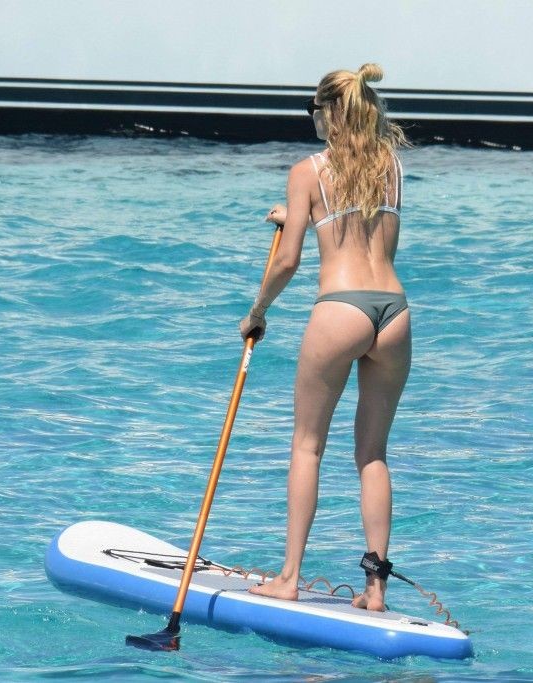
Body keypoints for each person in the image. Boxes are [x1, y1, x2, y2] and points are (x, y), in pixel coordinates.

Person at [238, 63, 410, 612]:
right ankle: (375, 589)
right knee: (372, 454)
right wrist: (295, 214)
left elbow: (288, 261)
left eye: (314, 109)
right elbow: (358, 222)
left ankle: (289, 577)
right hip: (394, 313)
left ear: (329, 113)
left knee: (307, 445)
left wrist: (258, 311)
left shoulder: (306, 171)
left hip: (340, 309)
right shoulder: (392, 167)